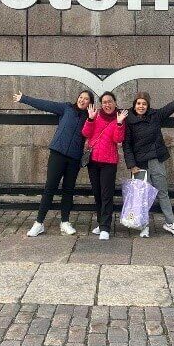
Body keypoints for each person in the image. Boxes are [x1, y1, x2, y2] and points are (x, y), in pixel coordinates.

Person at [13, 88, 94, 237]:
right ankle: (39, 223)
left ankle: (65, 222)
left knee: (68, 189)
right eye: (81, 97)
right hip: (58, 153)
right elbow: (45, 104)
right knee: (50, 187)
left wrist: (91, 118)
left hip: (74, 157)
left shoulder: (90, 117)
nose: (82, 100)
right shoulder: (66, 108)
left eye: (86, 99)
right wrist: (24, 98)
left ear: (90, 103)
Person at [123, 83, 174, 238]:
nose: (141, 106)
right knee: (141, 196)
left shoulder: (155, 116)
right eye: (138, 103)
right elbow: (126, 145)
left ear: (148, 105)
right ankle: (143, 225)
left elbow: (170, 107)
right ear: (134, 104)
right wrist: (131, 165)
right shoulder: (128, 121)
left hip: (156, 160)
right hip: (140, 165)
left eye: (144, 104)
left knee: (163, 192)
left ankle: (170, 222)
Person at [82, 92, 128, 241]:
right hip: (93, 160)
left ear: (115, 102)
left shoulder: (119, 118)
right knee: (97, 193)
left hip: (109, 162)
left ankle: (106, 227)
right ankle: (101, 222)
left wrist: (120, 123)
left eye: (110, 102)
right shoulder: (95, 115)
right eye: (104, 102)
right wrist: (89, 118)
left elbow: (118, 139)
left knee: (107, 195)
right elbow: (86, 133)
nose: (107, 105)